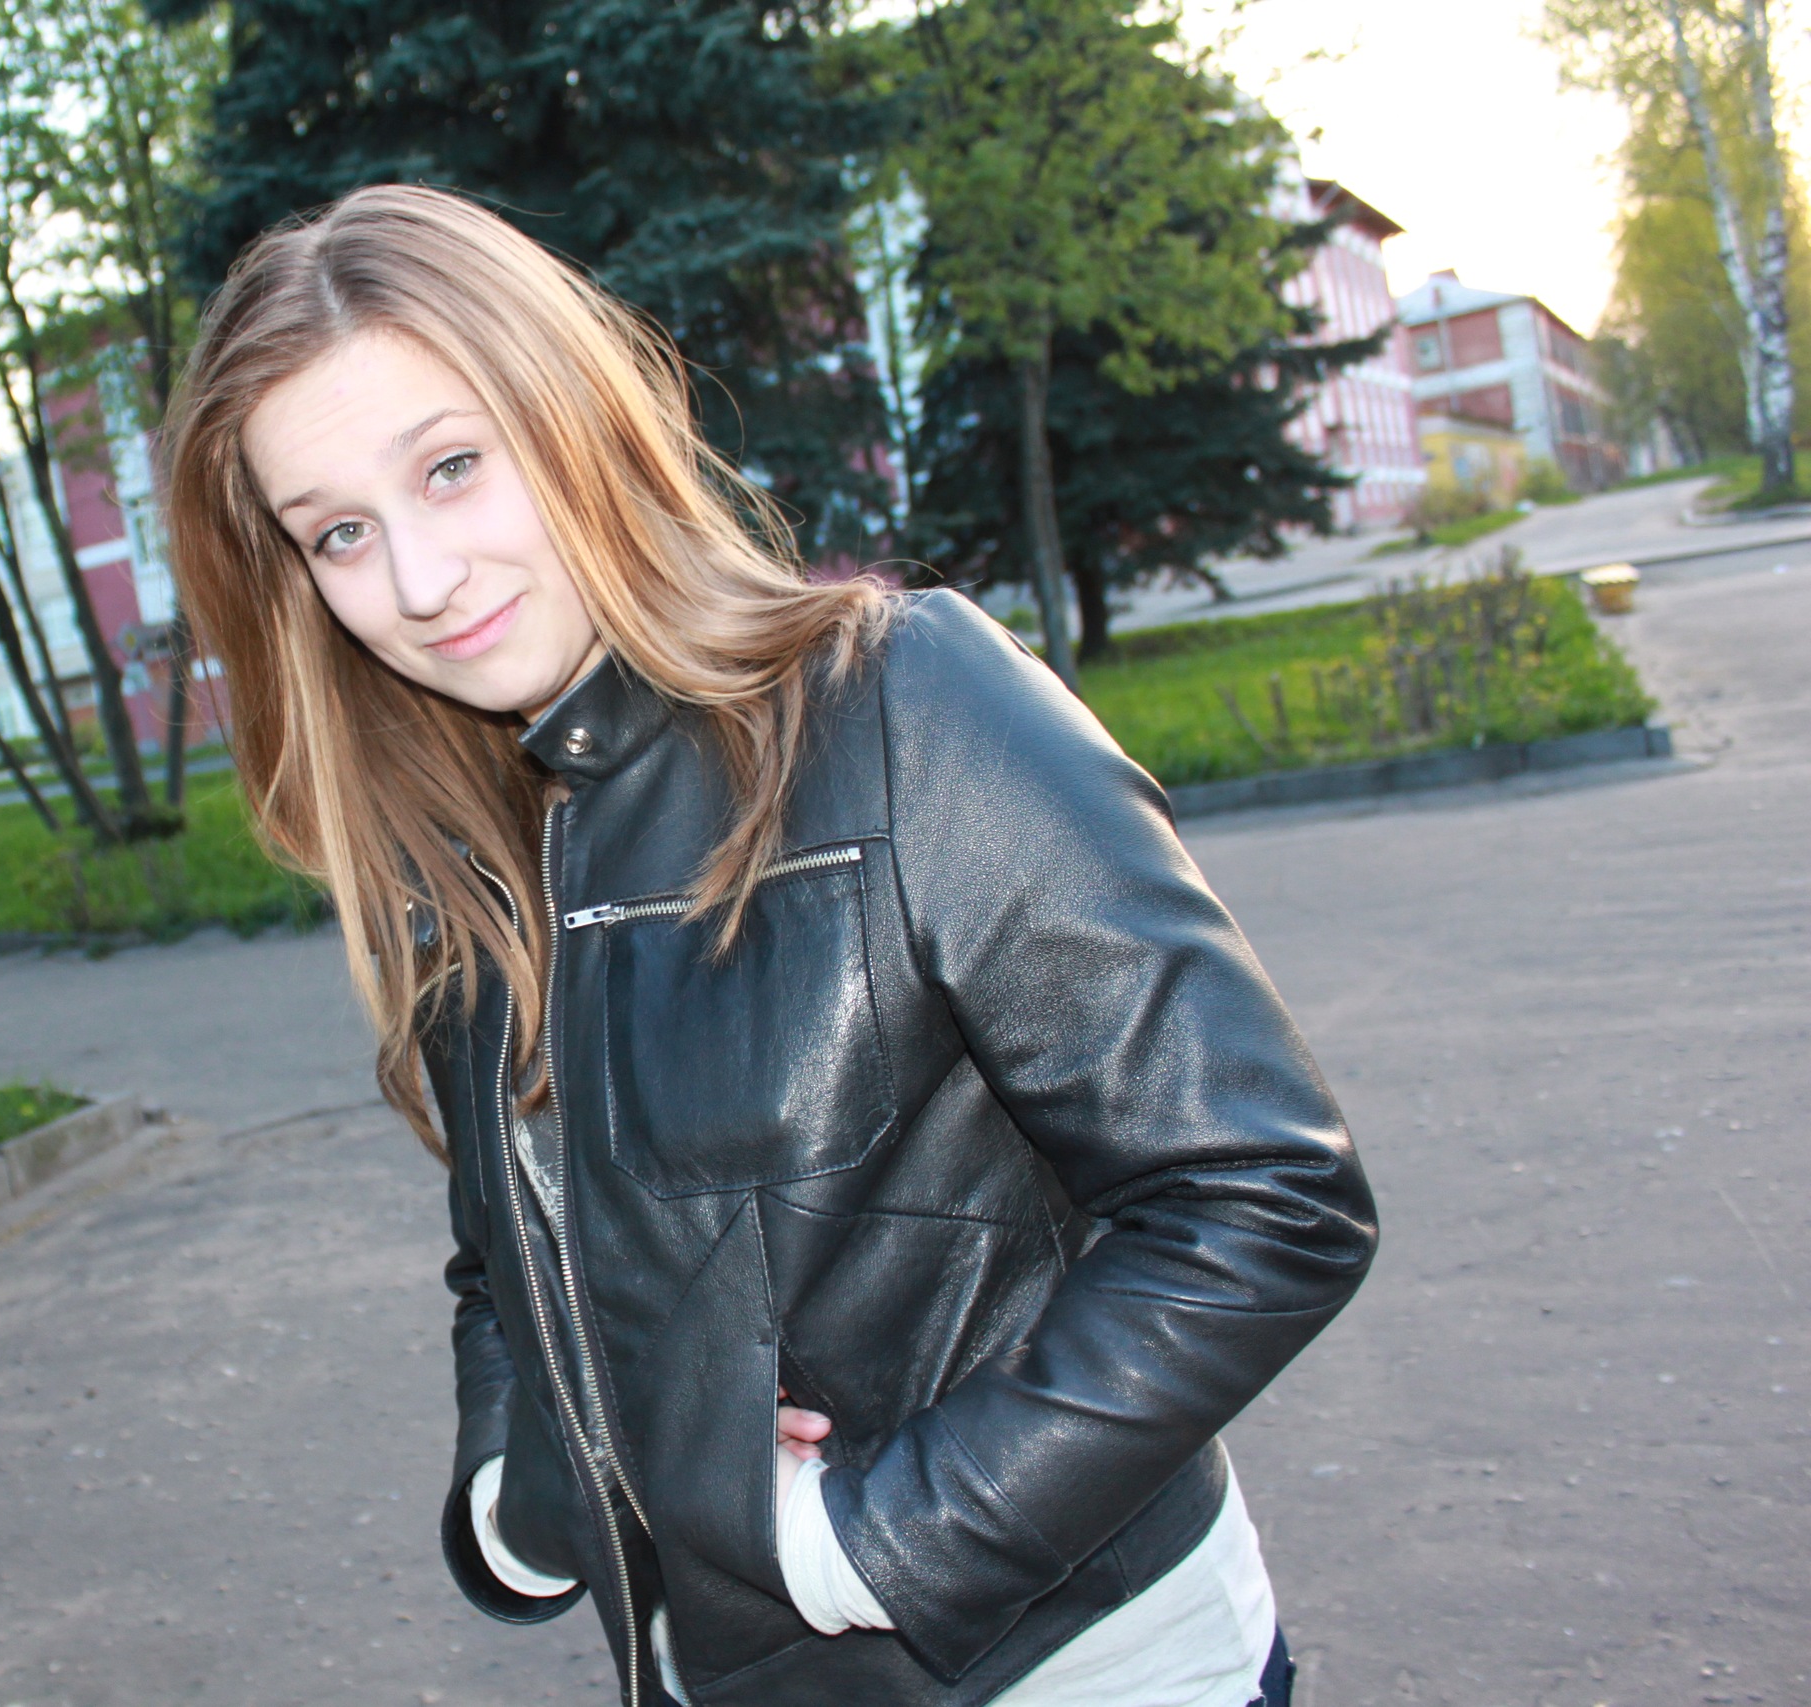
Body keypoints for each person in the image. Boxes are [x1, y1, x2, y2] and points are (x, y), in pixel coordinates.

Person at [162, 184, 1377, 1707]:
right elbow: (509, 1266)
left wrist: (872, 1540)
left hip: (1076, 1666)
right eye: (341, 532)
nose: (417, 580)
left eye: (452, 467)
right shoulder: (472, 866)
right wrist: (522, 1500)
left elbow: (1262, 1195)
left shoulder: (902, 703)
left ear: (573, 416)